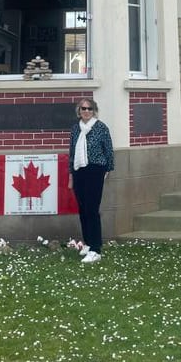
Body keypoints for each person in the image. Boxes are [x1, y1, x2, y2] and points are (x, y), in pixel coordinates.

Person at [68, 97, 114, 264]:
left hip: (95, 170)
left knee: (92, 209)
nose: (86, 111)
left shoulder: (101, 128)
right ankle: (87, 243)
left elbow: (108, 150)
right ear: (79, 112)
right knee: (83, 208)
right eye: (83, 108)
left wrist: (108, 169)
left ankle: (96, 249)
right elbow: (72, 152)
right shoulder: (75, 129)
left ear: (94, 111)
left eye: (89, 108)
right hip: (79, 170)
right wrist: (70, 175)